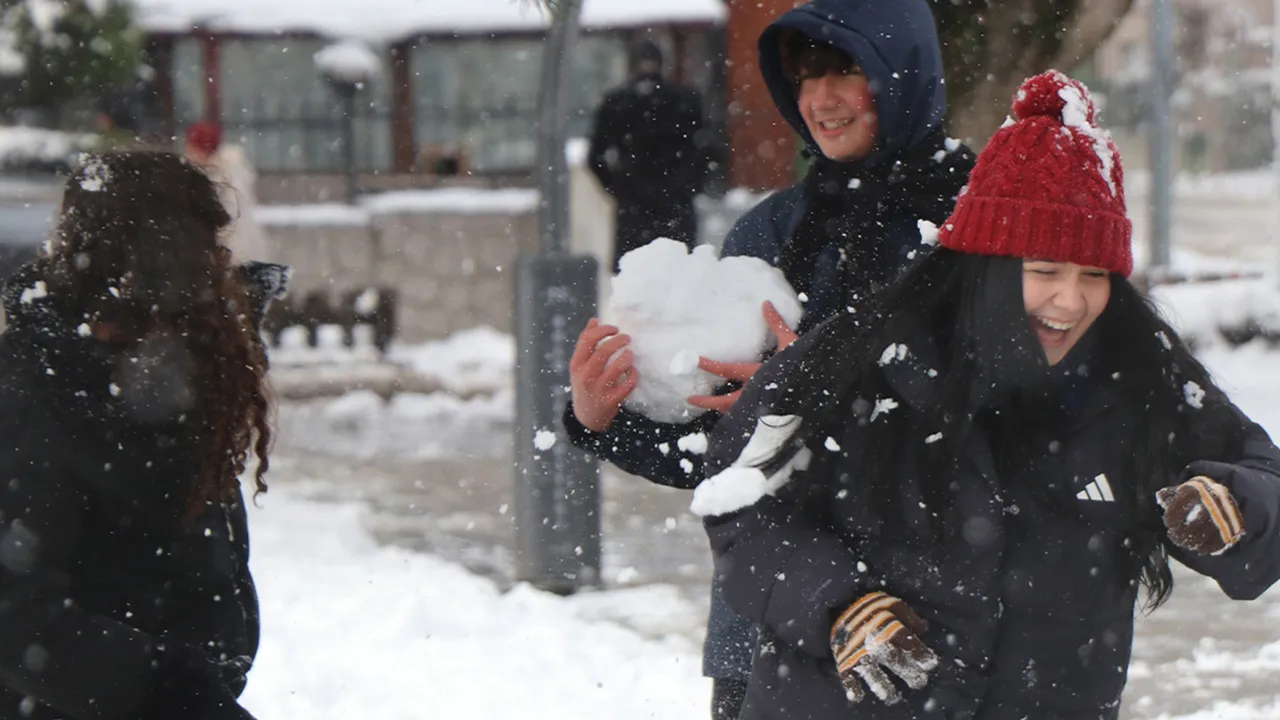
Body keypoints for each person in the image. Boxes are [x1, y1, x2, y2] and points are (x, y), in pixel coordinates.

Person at [698, 71, 1280, 720]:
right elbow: (740, 501)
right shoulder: (864, 356)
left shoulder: (1137, 376)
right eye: (1044, 271)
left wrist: (1237, 505)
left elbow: (1264, 473)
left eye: (1095, 275)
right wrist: (836, 604)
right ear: (985, 267)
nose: (1071, 299)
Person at [564, 2, 975, 718]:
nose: (821, 99)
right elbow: (716, 461)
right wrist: (599, 418)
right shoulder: (771, 233)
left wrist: (821, 394)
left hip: (935, 629)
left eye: (846, 68)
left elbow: (1016, 420)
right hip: (771, 631)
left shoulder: (980, 221)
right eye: (806, 76)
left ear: (900, 69)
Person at [0, 151, 274, 720]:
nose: (221, 268)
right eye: (204, 253)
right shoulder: (33, 393)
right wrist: (173, 693)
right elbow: (18, 614)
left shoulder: (179, 380)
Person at [587, 40, 710, 271]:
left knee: (635, 285)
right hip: (675, 206)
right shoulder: (685, 100)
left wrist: (618, 188)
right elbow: (705, 150)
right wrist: (688, 185)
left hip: (635, 209)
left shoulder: (616, 103)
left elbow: (595, 157)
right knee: (681, 279)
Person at [185, 120, 269, 263]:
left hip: (236, 255)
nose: (188, 153)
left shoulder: (225, 177)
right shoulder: (219, 173)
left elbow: (233, 223)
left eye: (192, 148)